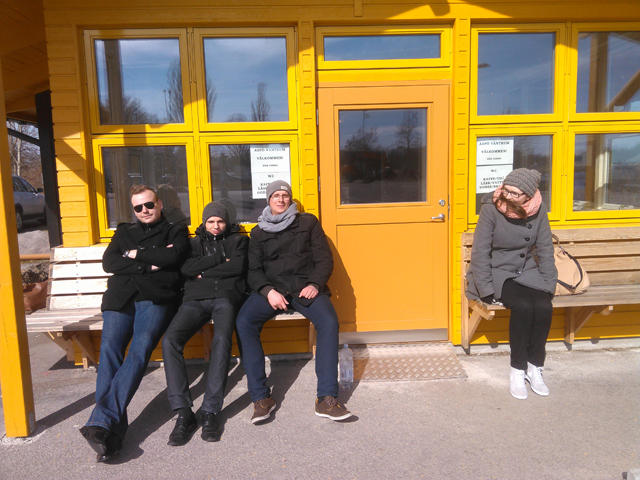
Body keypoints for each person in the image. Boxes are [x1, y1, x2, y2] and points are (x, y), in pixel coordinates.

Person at [80, 185, 190, 461]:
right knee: (109, 351)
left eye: (149, 205)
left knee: (139, 350)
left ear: (159, 204)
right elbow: (109, 262)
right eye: (138, 207)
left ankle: (102, 425)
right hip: (121, 297)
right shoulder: (124, 231)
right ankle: (108, 434)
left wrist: (132, 254)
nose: (144, 211)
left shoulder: (176, 229)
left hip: (155, 297)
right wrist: (148, 263)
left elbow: (173, 256)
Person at [235, 180, 352, 423]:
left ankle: (326, 399)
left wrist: (315, 284)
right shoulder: (258, 233)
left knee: (329, 322)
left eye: (284, 195)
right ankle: (261, 398)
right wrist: (268, 291)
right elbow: (253, 270)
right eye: (275, 196)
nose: (280, 199)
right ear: (269, 200)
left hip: (304, 289)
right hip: (273, 291)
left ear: (290, 199)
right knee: (245, 322)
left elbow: (324, 259)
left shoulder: (308, 223)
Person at [466, 168, 557, 400]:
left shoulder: (538, 210)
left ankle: (535, 367)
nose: (508, 196)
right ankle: (517, 369)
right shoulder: (491, 208)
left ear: (529, 195)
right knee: (523, 306)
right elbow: (480, 252)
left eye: (515, 194)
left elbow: (545, 248)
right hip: (498, 272)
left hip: (527, 271)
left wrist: (549, 284)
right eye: (506, 190)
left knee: (544, 306)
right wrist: (486, 289)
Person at [162, 201, 248, 446]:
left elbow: (238, 267)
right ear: (204, 222)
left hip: (225, 299)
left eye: (220, 221)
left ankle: (210, 412)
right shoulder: (193, 243)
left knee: (222, 340)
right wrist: (219, 259)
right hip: (195, 300)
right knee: (170, 340)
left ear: (226, 222)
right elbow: (186, 268)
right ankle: (183, 413)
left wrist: (205, 271)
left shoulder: (239, 241)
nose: (216, 226)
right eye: (211, 221)